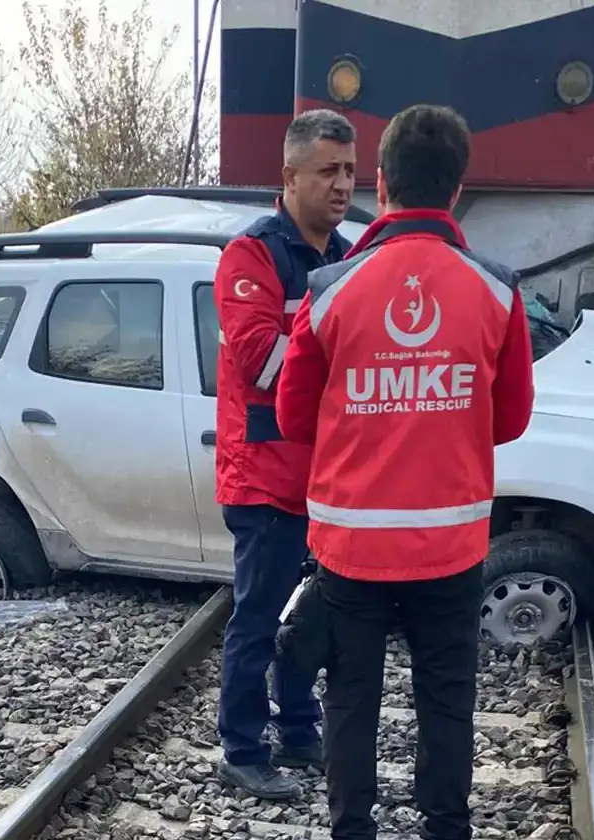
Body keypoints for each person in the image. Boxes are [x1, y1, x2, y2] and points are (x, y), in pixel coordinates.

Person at [275, 104, 535, 840]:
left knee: (352, 701)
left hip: (351, 549)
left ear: (380, 183)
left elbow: (291, 417)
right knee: (446, 705)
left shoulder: (331, 291)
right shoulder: (496, 295)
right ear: (458, 190)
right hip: (451, 552)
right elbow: (512, 419)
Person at [212, 108, 358, 801]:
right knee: (258, 617)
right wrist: (328, 333)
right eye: (328, 170)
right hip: (266, 480)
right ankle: (242, 748)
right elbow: (261, 360)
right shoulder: (251, 256)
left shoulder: (345, 257)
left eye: (351, 171)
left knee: (314, 619)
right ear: (290, 176)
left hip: (328, 479)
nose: (342, 185)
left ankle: (299, 731)